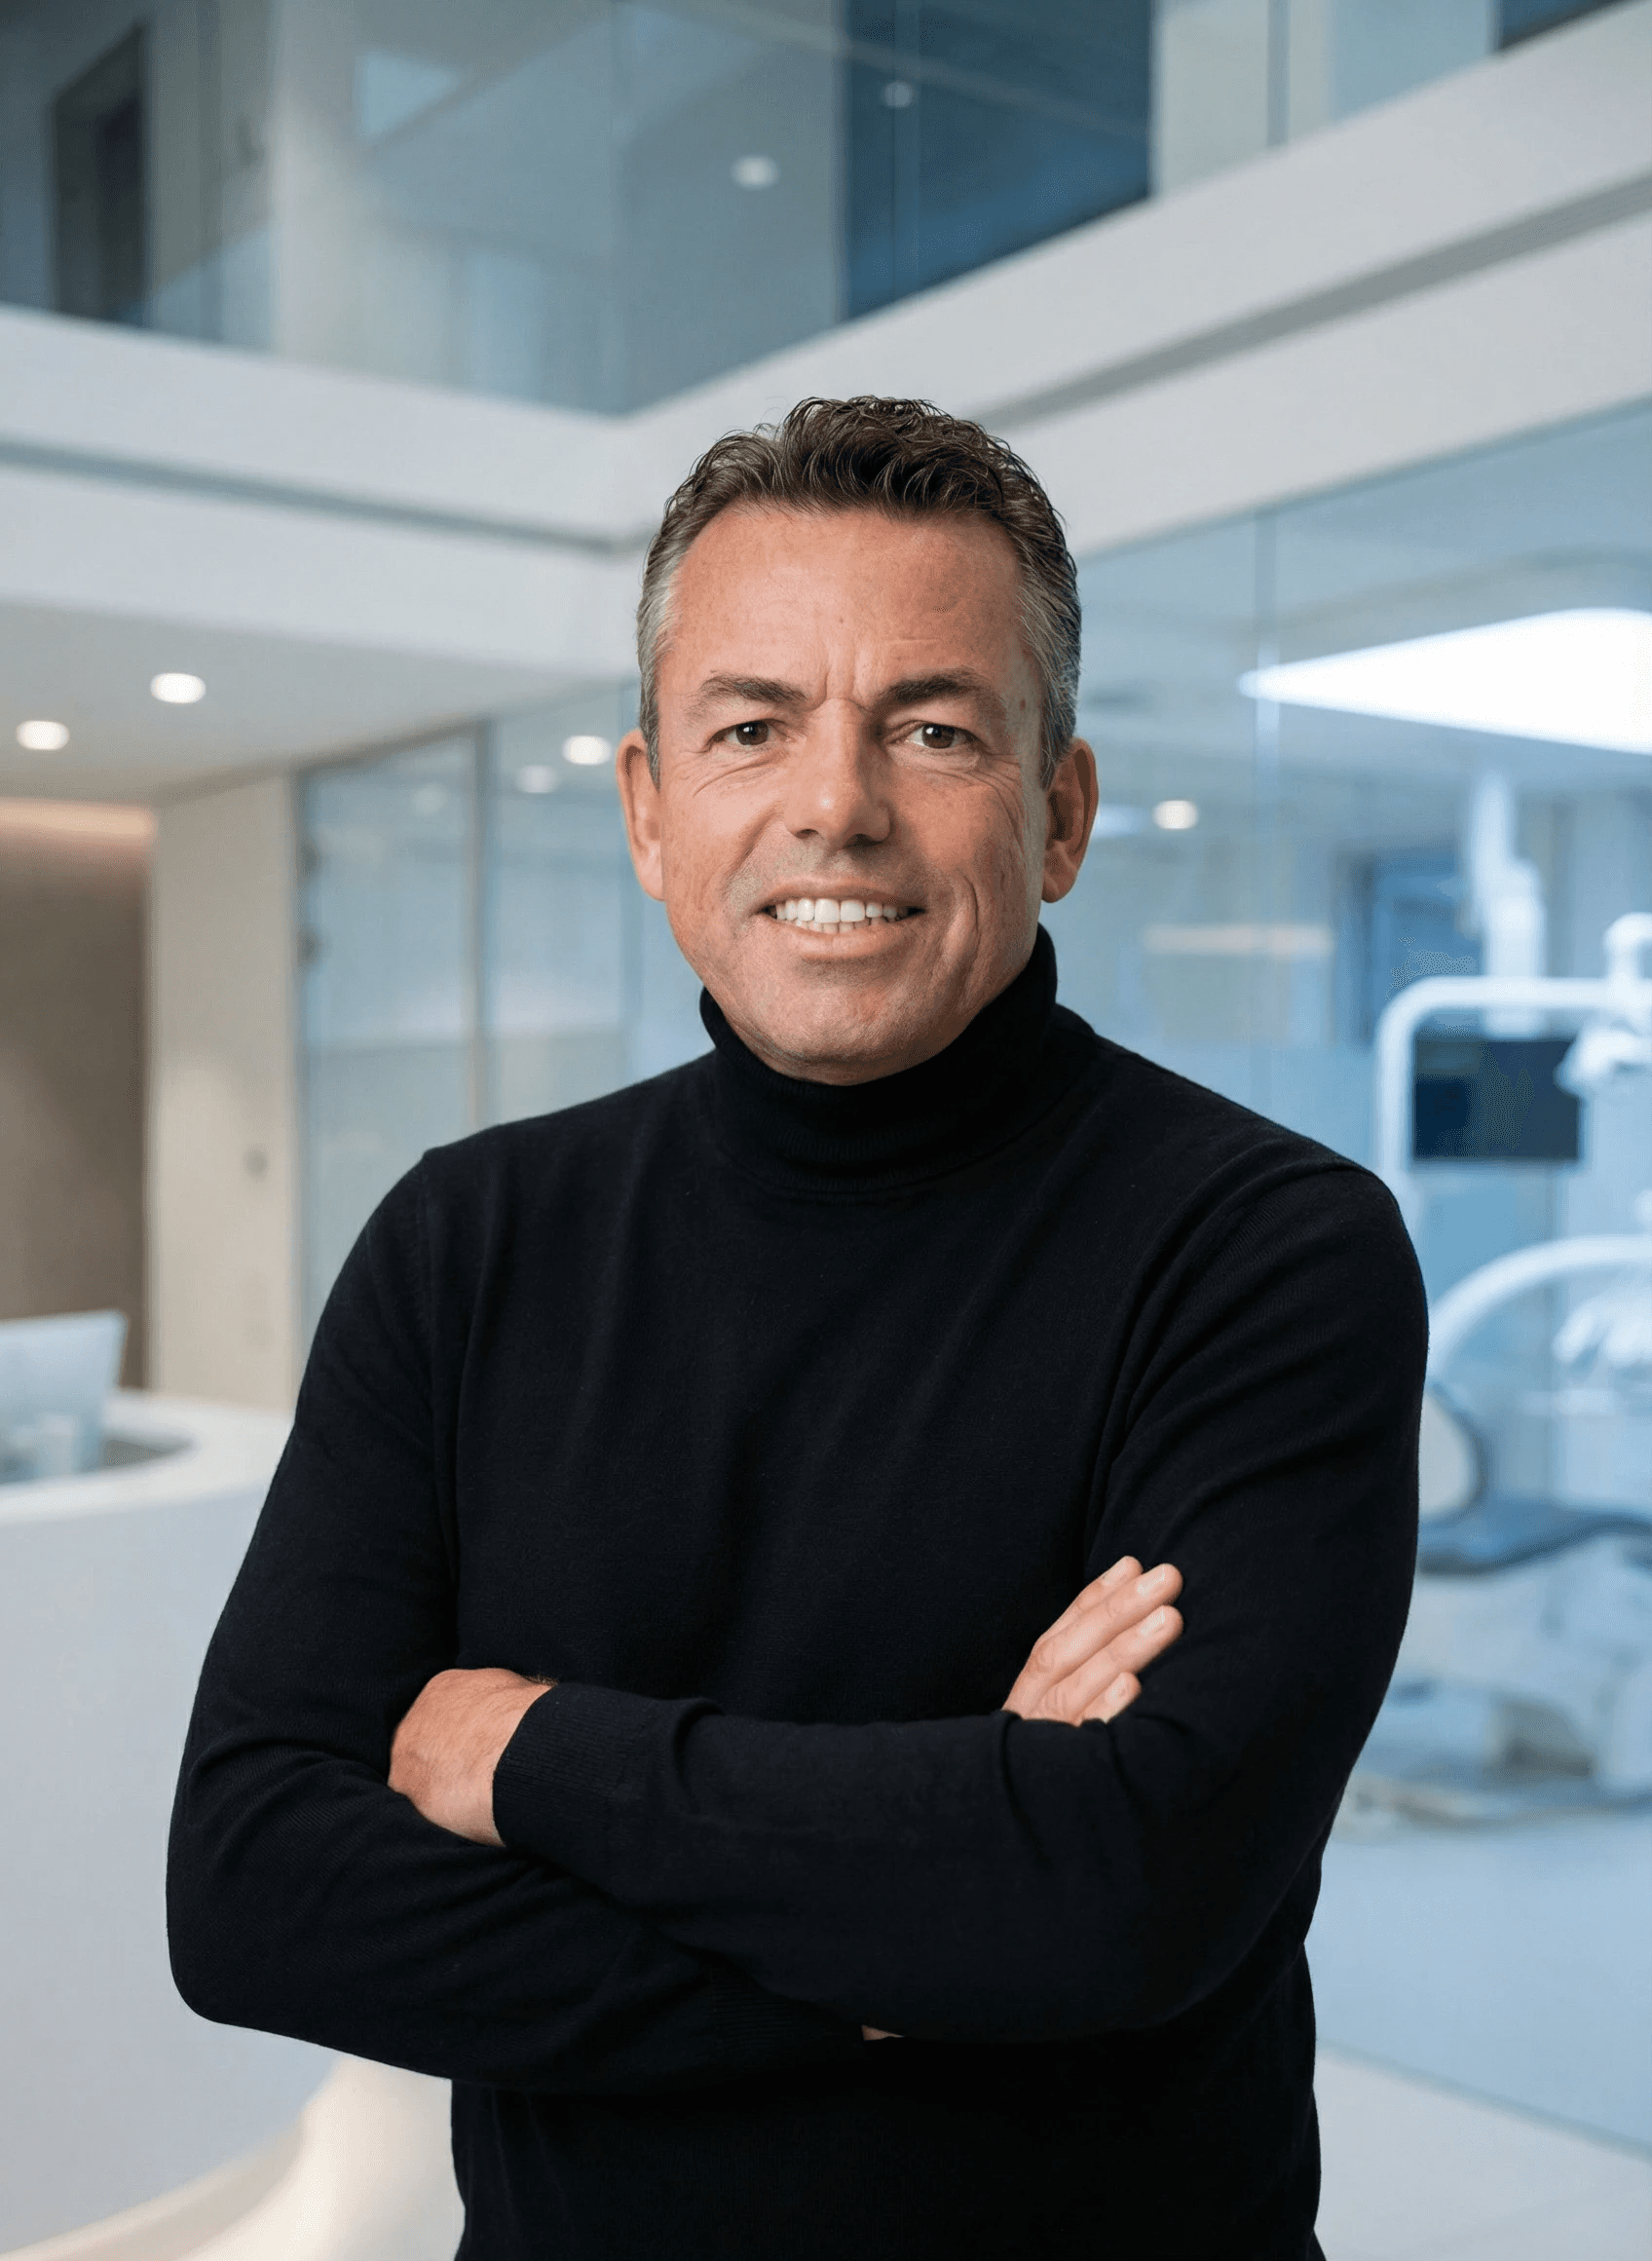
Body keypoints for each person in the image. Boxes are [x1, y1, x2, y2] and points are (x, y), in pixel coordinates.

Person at [169, 396, 1425, 2260]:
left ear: (1058, 812)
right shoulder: (468, 1241)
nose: (836, 804)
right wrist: (917, 1926)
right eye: (753, 728)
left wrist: (529, 1759)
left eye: (932, 728)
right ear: (651, 811)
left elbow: (1128, 1889)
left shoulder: (1262, 1249)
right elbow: (256, 1891)